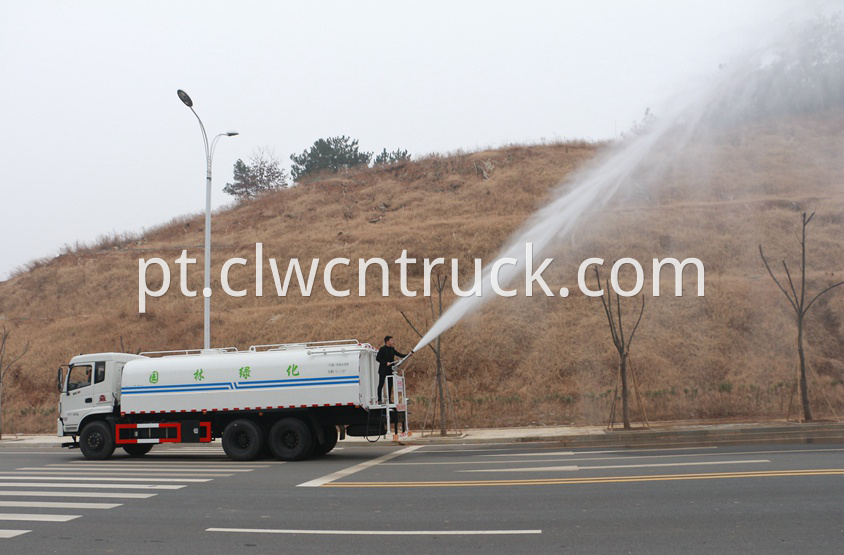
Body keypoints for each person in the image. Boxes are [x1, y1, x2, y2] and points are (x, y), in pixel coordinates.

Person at [376, 335, 412, 404]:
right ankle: (379, 399)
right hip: (383, 369)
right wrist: (385, 363)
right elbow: (378, 358)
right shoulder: (382, 349)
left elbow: (399, 354)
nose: (393, 342)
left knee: (390, 384)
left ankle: (389, 400)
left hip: (390, 369)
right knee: (381, 384)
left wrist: (408, 354)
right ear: (387, 341)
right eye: (391, 340)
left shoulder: (392, 349)